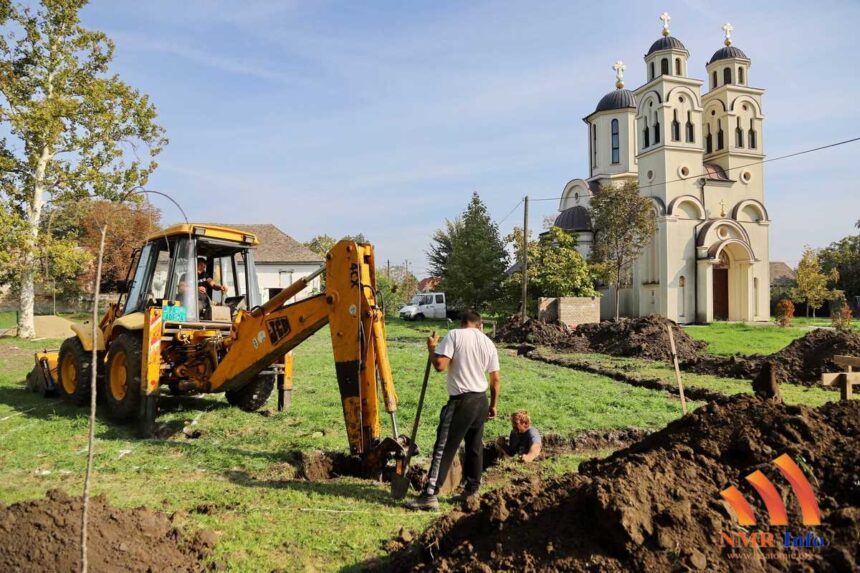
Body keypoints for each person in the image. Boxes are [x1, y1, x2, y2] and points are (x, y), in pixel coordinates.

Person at [406, 309, 501, 511]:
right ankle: (471, 491)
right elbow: (495, 379)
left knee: (444, 446)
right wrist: (493, 405)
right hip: (481, 400)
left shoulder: (455, 335)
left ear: (462, 323)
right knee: (474, 447)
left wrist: (432, 349)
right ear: (479, 324)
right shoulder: (488, 342)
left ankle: (430, 495)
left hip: (462, 402)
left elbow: (440, 365)